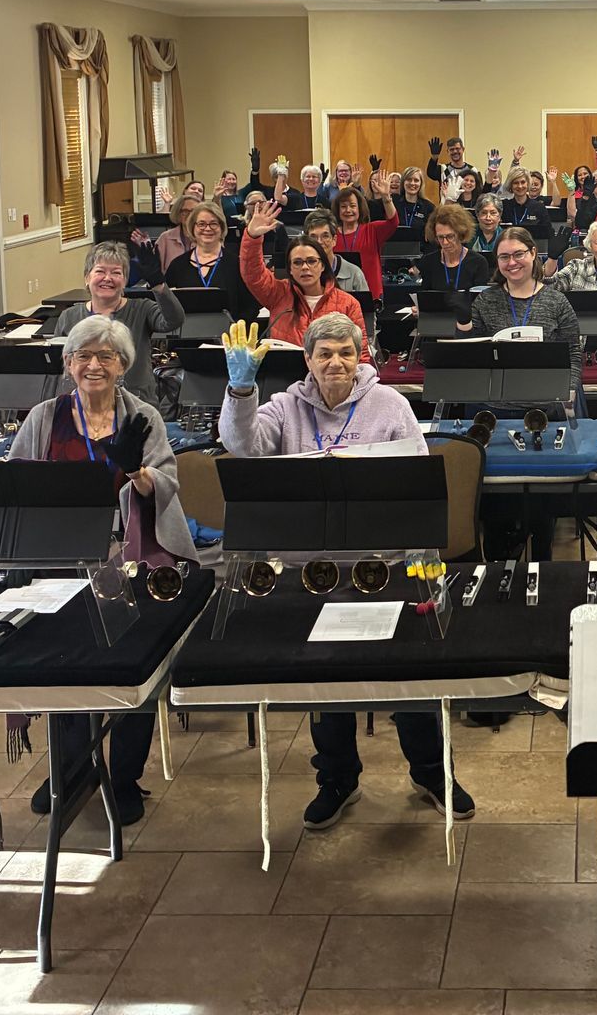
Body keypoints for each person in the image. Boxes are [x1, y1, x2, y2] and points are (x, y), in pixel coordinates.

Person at [218, 313, 475, 829]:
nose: (335, 362)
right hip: (311, 571)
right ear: (308, 360)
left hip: (383, 566)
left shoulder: (391, 405)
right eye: (324, 353)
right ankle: (337, 779)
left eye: (345, 352)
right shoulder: (283, 407)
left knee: (408, 678)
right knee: (325, 684)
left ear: (362, 356)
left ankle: (430, 771)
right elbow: (242, 447)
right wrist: (240, 389)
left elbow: (418, 486)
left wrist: (423, 562)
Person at [12, 314, 193, 827]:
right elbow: (18, 487)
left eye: (106, 357)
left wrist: (135, 470)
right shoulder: (45, 418)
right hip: (61, 561)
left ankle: (124, 776)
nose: (94, 365)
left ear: (122, 365)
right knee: (66, 665)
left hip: (130, 557)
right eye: (83, 356)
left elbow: (168, 483)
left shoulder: (143, 416)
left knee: (130, 666)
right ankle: (70, 766)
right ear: (69, 364)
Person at [52, 242, 184, 405]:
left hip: (136, 404)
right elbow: (60, 368)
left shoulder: (141, 308)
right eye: (100, 271)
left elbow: (174, 320)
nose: (107, 278)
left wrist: (158, 284)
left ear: (125, 280)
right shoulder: (69, 317)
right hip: (83, 404)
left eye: (116, 272)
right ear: (87, 277)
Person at [464, 226, 583, 404]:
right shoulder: (485, 300)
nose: (512, 263)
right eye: (504, 257)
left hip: (546, 403)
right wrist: (462, 323)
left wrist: (571, 389)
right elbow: (470, 353)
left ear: (533, 253)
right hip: (497, 403)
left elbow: (573, 352)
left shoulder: (557, 301)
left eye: (519, 254)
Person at [240, 201, 369, 353]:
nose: (305, 267)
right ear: (290, 269)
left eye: (312, 261)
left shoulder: (348, 304)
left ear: (322, 266)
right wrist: (252, 237)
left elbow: (361, 353)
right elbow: (253, 274)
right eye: (297, 262)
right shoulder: (278, 294)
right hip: (286, 374)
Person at [165, 201, 263, 323]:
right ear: (192, 227)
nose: (207, 228)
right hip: (185, 337)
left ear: (221, 228)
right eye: (201, 224)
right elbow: (167, 305)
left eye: (213, 224)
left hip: (228, 338)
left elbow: (250, 307)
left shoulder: (237, 264)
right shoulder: (177, 266)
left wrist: (236, 328)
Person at [330, 174, 401, 302]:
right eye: (343, 206)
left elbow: (393, 222)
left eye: (352, 206)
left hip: (370, 292)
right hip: (339, 295)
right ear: (338, 210)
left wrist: (386, 197)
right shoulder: (331, 234)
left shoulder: (372, 230)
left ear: (359, 208)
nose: (348, 210)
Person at [416, 203, 491, 306]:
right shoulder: (428, 261)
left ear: (460, 234)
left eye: (450, 236)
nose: (445, 242)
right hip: (437, 318)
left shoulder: (478, 262)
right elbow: (425, 297)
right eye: (440, 237)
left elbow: (482, 301)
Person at [301, 209, 371, 299]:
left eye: (325, 236)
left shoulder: (355, 274)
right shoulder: (300, 273)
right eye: (313, 237)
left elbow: (367, 311)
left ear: (334, 240)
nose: (319, 242)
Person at [154, 193, 203, 271]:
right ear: (178, 213)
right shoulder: (165, 238)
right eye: (185, 211)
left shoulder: (208, 236)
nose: (190, 215)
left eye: (194, 211)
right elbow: (156, 270)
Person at [426, 135, 478, 203]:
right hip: (447, 209)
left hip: (467, 209)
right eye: (452, 149)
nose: (455, 151)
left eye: (457, 148)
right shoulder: (443, 169)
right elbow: (430, 173)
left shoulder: (472, 170)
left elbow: (478, 190)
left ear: (463, 149)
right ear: (448, 151)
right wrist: (434, 157)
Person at [391, 166, 435, 230]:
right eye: (409, 179)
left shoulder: (429, 207)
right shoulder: (393, 202)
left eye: (416, 180)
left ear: (421, 184)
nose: (412, 183)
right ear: (403, 182)